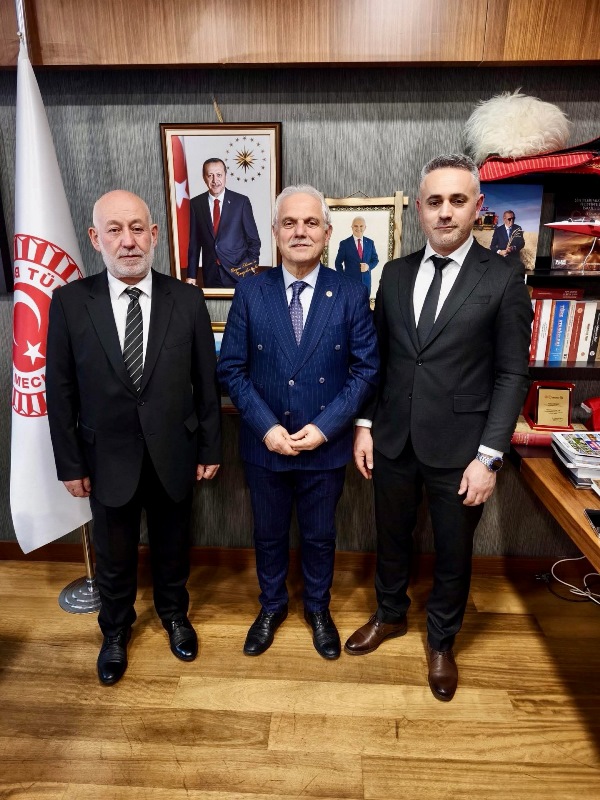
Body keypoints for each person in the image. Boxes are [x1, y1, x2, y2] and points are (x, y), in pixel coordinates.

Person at [345, 155, 532, 701]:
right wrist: (364, 424)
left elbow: (511, 373)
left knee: (453, 549)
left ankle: (442, 641)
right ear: (420, 210)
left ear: (478, 207)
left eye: (457, 200)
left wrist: (490, 456)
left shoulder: (503, 277)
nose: (445, 212)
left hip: (463, 447)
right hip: (393, 437)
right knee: (390, 536)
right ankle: (389, 614)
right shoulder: (395, 273)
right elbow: (380, 359)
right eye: (434, 201)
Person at [46, 190, 221, 686]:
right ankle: (115, 631)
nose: (128, 241)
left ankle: (174, 615)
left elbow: (205, 382)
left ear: (154, 235)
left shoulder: (186, 299)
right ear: (95, 238)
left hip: (174, 453)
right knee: (114, 555)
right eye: (115, 230)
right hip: (105, 459)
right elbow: (59, 391)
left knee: (173, 547)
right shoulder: (70, 303)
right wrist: (70, 463)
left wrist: (210, 447)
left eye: (138, 228)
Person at [218, 185, 378, 660]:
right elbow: (232, 368)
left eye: (310, 223)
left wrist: (326, 427)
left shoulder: (350, 292)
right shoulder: (251, 291)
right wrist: (266, 427)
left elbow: (366, 369)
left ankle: (318, 609)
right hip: (264, 443)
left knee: (319, 536)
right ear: (274, 232)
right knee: (267, 534)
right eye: (289, 223)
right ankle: (271, 607)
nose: (300, 232)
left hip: (323, 446)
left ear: (327, 233)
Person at [186, 158, 261, 289]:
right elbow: (194, 244)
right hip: (211, 275)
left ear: (225, 175)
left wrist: (250, 268)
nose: (215, 180)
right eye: (210, 175)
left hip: (240, 274)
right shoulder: (195, 204)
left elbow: (254, 241)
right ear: (204, 178)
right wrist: (191, 276)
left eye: (219, 175)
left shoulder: (241, 202)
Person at [334, 216, 379, 294]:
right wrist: (343, 277)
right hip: (350, 284)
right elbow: (338, 263)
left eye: (361, 226)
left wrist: (368, 267)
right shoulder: (344, 244)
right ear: (352, 227)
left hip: (366, 283)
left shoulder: (370, 243)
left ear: (365, 227)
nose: (358, 228)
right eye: (356, 226)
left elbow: (375, 260)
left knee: (365, 301)